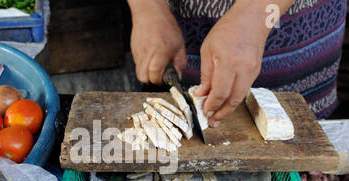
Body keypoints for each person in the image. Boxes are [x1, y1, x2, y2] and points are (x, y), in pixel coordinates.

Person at [126, 0, 347, 126]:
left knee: (293, 129)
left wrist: (256, 14)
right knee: (171, 127)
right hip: (175, 23)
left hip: (293, 26)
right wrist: (148, 8)